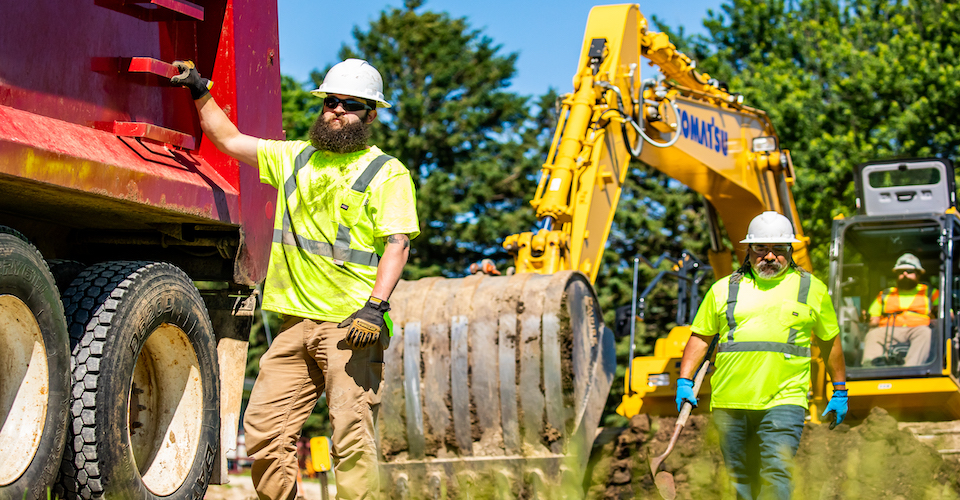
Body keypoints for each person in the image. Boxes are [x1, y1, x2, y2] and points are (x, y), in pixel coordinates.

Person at [171, 58, 420, 500]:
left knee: (352, 441)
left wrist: (375, 307)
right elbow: (227, 139)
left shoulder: (387, 172)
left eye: (350, 104)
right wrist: (199, 88)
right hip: (294, 326)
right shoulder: (293, 157)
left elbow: (397, 244)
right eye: (331, 101)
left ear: (371, 115)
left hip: (352, 326)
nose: (336, 110)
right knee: (264, 434)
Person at [675, 211, 847, 500]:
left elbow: (831, 342)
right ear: (749, 251)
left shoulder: (812, 289)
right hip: (730, 402)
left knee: (777, 469)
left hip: (784, 399)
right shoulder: (723, 289)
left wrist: (839, 389)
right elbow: (701, 338)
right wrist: (684, 380)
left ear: (790, 251)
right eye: (761, 248)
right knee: (741, 480)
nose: (770, 256)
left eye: (778, 249)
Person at [861, 253, 936, 366]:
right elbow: (874, 319)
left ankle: (911, 369)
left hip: (917, 329)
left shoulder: (930, 292)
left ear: (919, 274)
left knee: (925, 333)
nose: (905, 274)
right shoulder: (885, 294)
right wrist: (866, 319)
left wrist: (936, 313)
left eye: (909, 271)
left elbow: (948, 315)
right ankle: (871, 368)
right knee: (873, 334)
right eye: (901, 272)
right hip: (889, 330)